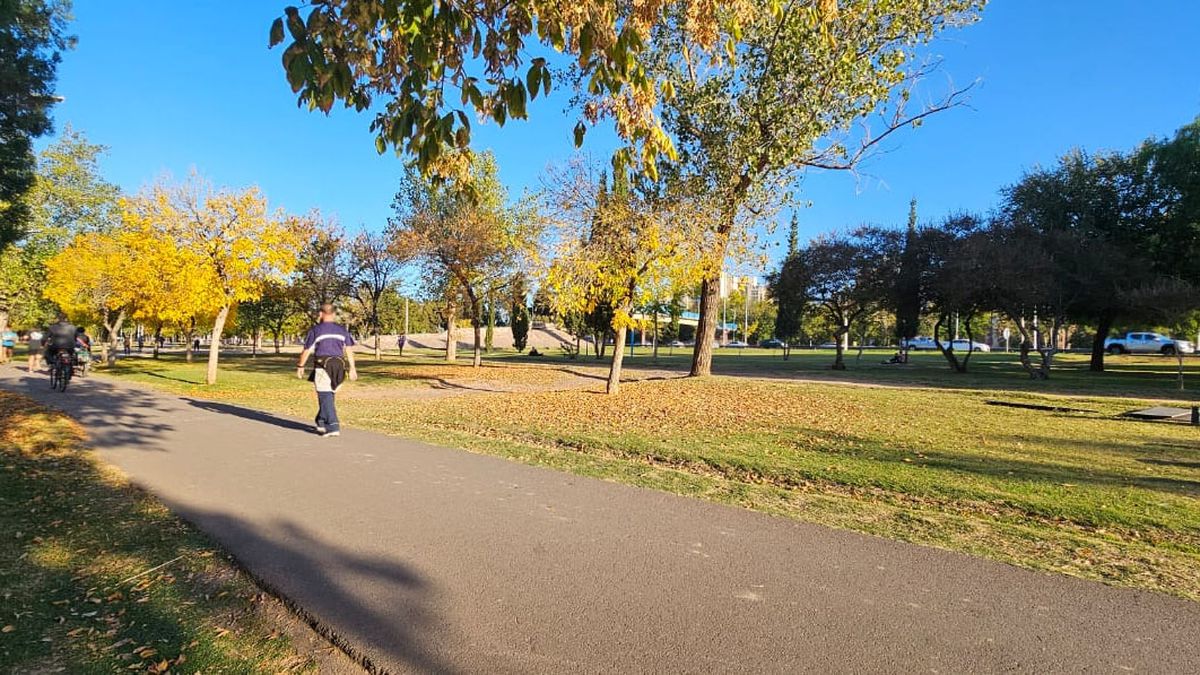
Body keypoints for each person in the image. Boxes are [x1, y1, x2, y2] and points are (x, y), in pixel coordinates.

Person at [296, 303, 358, 437]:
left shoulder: (316, 330)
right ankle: (321, 421)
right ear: (334, 314)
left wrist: (300, 366)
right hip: (339, 366)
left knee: (325, 395)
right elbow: (349, 349)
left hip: (322, 366)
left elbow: (307, 350)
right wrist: (352, 368)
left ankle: (333, 426)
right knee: (329, 395)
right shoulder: (342, 330)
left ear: (320, 314)